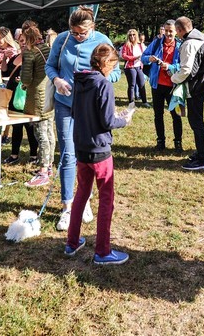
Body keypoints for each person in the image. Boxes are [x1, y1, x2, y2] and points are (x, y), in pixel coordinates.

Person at [45, 6, 120, 231]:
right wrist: (57, 80)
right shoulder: (62, 40)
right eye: (74, 32)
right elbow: (50, 66)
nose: (78, 37)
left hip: (89, 109)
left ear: (92, 27)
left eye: (82, 33)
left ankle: (84, 199)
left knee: (88, 156)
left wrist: (98, 79)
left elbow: (115, 72)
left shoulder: (102, 40)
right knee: (68, 153)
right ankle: (68, 206)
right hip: (65, 104)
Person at [64, 44, 133, 265]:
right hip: (99, 150)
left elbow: (77, 111)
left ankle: (72, 242)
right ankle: (102, 251)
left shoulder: (80, 81)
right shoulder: (103, 85)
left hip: (81, 147)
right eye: (114, 64)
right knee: (106, 199)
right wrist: (124, 119)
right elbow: (107, 121)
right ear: (105, 63)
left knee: (81, 194)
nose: (115, 69)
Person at [172, 16, 204, 171]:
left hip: (195, 87)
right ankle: (200, 152)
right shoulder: (202, 38)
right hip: (202, 85)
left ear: (180, 29)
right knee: (197, 121)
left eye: (176, 30)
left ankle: (202, 158)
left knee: (196, 122)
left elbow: (186, 69)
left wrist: (173, 78)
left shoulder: (189, 43)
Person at [19, 23, 56, 188]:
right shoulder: (48, 49)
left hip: (37, 96)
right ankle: (49, 166)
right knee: (49, 131)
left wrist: (23, 84)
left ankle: (42, 170)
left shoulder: (30, 52)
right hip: (50, 92)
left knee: (41, 133)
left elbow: (26, 77)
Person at [142, 19, 183, 152]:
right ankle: (161, 142)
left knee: (176, 115)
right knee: (158, 115)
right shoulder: (157, 43)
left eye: (171, 31)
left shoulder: (180, 46)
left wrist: (170, 66)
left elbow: (183, 66)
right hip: (157, 85)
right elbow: (143, 57)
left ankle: (178, 142)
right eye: (166, 31)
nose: (168, 34)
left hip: (173, 86)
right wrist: (150, 59)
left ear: (176, 31)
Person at [1, 28, 39, 164]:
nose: (22, 43)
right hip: (12, 96)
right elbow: (4, 74)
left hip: (25, 97)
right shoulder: (14, 57)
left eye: (24, 41)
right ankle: (14, 155)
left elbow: (36, 77)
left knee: (29, 127)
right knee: (15, 127)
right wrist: (5, 58)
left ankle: (34, 156)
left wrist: (23, 81)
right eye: (20, 41)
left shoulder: (32, 58)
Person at [121, 28, 149, 107]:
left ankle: (144, 102)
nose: (132, 36)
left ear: (136, 35)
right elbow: (124, 55)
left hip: (139, 67)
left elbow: (145, 53)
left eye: (133, 35)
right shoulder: (126, 45)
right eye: (130, 35)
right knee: (132, 85)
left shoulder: (140, 45)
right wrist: (134, 58)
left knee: (142, 84)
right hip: (130, 67)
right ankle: (131, 102)